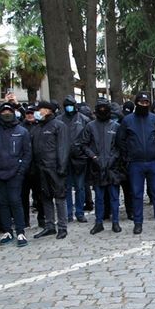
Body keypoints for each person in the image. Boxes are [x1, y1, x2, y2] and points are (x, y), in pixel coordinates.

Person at [117, 92, 155, 234]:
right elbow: (120, 140)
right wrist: (126, 156)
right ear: (136, 103)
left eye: (147, 102)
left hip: (154, 162)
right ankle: (138, 223)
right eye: (141, 102)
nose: (144, 104)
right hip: (136, 163)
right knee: (136, 193)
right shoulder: (127, 120)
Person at [0, 103, 33, 247]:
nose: (6, 114)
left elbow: (27, 152)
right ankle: (7, 230)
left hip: (15, 173)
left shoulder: (22, 131)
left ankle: (20, 231)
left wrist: (21, 170)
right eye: (3, 112)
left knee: (16, 201)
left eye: (9, 111)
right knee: (1, 203)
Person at [80, 99, 124, 235]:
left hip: (112, 167)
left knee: (114, 197)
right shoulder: (90, 126)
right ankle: (98, 222)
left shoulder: (115, 126)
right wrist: (93, 157)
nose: (103, 110)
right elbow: (84, 144)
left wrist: (113, 158)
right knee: (99, 197)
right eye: (100, 108)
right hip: (97, 166)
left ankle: (115, 222)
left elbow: (120, 146)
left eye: (105, 108)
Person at [32, 101, 70, 239]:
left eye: (40, 109)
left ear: (48, 111)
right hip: (40, 168)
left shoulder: (58, 125)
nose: (37, 112)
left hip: (54, 168)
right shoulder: (37, 127)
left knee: (59, 197)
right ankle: (49, 226)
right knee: (45, 197)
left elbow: (63, 147)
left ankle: (62, 227)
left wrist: (62, 166)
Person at [59, 95, 91, 223]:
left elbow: (89, 138)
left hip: (79, 158)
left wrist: (84, 152)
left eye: (70, 105)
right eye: (66, 105)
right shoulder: (59, 120)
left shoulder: (84, 120)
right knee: (66, 187)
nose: (69, 107)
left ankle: (79, 212)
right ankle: (68, 213)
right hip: (64, 158)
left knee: (80, 187)